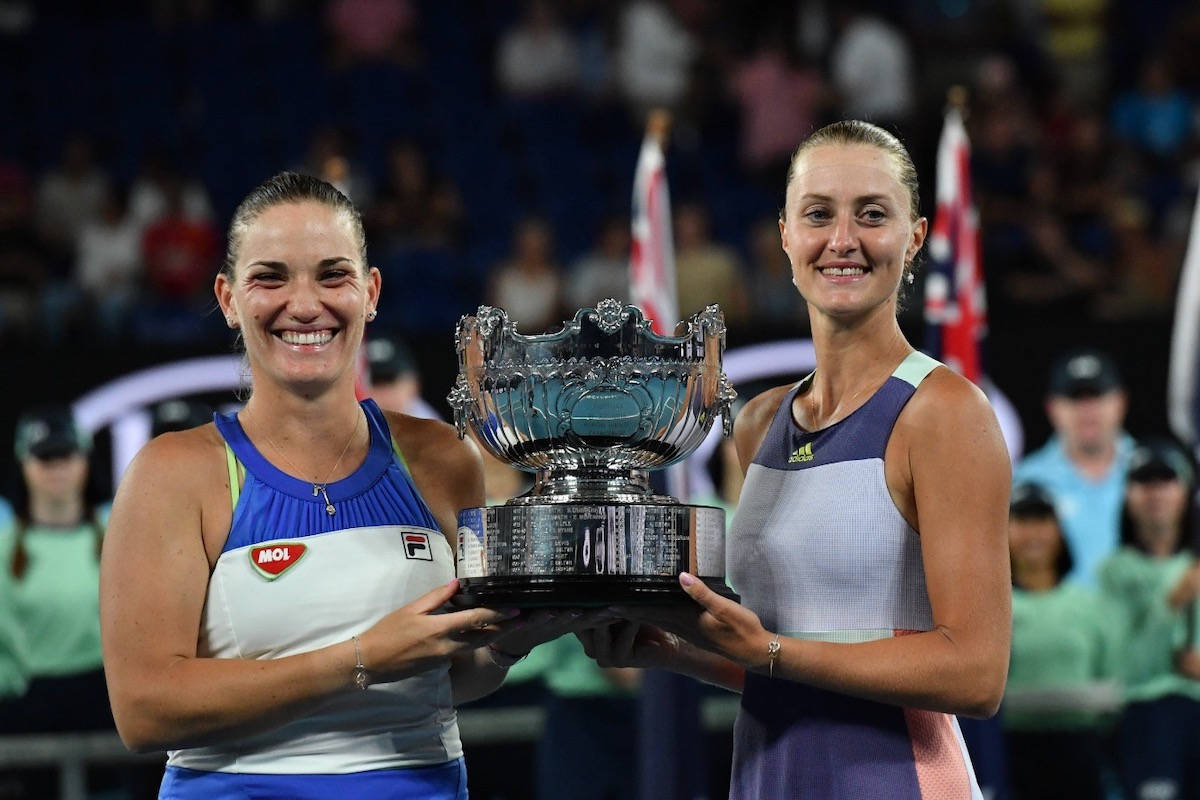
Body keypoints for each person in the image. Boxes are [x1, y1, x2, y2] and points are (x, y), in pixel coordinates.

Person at [100, 172, 578, 799]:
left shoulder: (442, 458)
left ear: (371, 291)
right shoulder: (173, 473)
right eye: (270, 277)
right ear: (227, 297)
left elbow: (453, 673)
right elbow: (144, 710)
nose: (304, 304)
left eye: (332, 274)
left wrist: (513, 642)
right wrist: (362, 658)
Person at [579, 120, 1012, 798]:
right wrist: (677, 652)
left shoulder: (945, 414)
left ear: (916, 236)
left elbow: (976, 674)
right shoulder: (759, 423)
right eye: (818, 215)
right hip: (768, 775)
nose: (843, 240)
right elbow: (792, 661)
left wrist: (769, 651)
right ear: (785, 234)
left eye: (872, 214)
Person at [1003, 483, 1121, 800]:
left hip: (1081, 752)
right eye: (1021, 521)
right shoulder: (993, 609)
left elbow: (1112, 680)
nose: (1032, 533)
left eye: (1042, 520)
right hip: (1012, 752)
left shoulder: (1089, 605)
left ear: (1059, 532)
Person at [1097, 438, 1200, 800]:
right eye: (1144, 482)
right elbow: (1125, 666)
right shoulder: (1115, 573)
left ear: (1186, 492)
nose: (1155, 492)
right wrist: (1174, 601)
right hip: (1149, 720)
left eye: (1166, 481)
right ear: (1128, 495)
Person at [0, 406, 112, 734]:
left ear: (85, 460)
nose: (56, 467)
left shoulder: (121, 537)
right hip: (26, 705)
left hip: (108, 701)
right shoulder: (4, 548)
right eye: (45, 458)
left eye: (66, 455)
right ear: (24, 464)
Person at [1013, 348, 1133, 587]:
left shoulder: (1157, 475)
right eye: (1074, 397)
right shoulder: (1025, 483)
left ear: (1121, 402)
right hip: (1057, 621)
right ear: (1052, 408)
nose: (1087, 409)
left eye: (1097, 395)